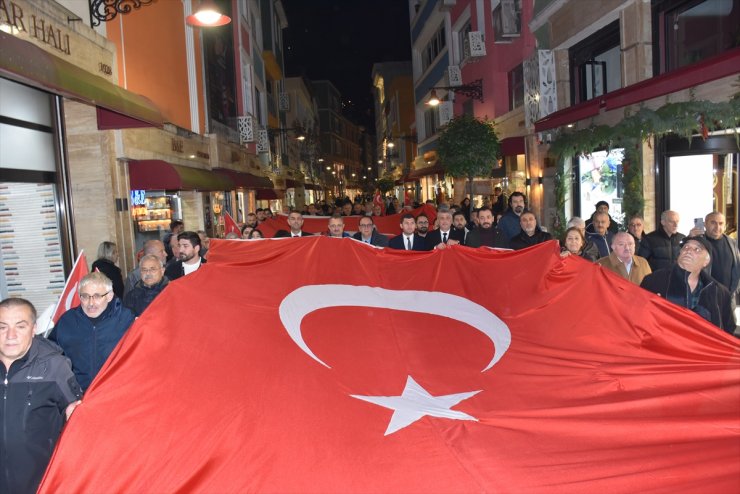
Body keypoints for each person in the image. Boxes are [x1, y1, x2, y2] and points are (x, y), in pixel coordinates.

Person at [0, 298, 83, 493]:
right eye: (2, 327)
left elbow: (77, 419)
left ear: (34, 328)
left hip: (41, 483)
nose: (10, 335)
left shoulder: (55, 367)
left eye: (20, 326)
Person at [49, 272, 135, 390]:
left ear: (109, 296)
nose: (91, 303)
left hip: (116, 392)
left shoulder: (126, 319)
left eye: (97, 296)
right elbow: (51, 354)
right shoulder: (67, 321)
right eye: (85, 296)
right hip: (78, 394)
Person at [641, 236, 735, 335]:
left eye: (697, 249)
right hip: (665, 347)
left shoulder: (720, 292)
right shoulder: (653, 281)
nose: (689, 251)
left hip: (701, 348)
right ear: (679, 253)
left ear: (706, 261)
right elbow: (639, 317)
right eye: (686, 247)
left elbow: (727, 331)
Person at [690, 212, 739, 298]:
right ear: (705, 224)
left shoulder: (732, 243)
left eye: (721, 223)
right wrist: (690, 239)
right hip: (704, 297)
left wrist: (733, 291)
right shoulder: (697, 242)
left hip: (727, 297)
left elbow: (737, 268)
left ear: (725, 225)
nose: (717, 227)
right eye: (713, 223)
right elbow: (682, 260)